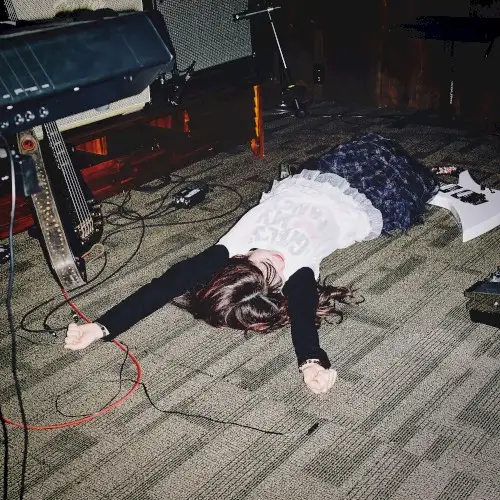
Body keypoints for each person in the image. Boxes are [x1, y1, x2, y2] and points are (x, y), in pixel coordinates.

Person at [65, 133, 439, 394]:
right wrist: (311, 361)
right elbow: (303, 317)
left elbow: (165, 286)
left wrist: (102, 325)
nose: (276, 261)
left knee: (371, 144)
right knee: (413, 181)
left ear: (239, 260)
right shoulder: (299, 271)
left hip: (320, 180)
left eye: (262, 264)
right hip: (365, 203)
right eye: (275, 276)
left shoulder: (232, 246)